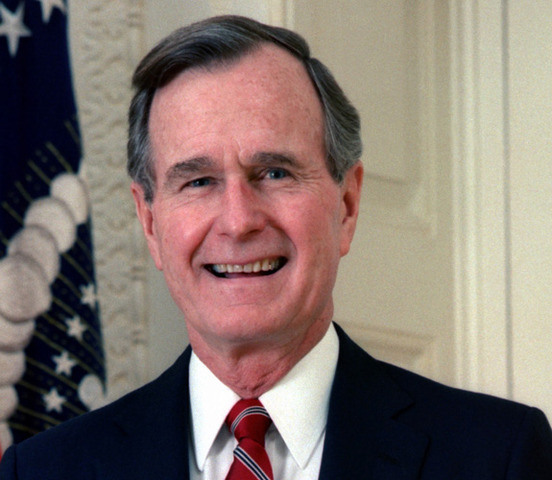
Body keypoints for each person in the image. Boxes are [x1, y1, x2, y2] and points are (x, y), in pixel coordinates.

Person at [1, 15, 551, 479]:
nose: (239, 221)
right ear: (150, 223)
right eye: (198, 181)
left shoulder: (497, 456)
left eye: (274, 172)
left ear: (347, 205)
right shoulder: (44, 470)